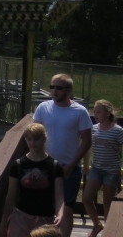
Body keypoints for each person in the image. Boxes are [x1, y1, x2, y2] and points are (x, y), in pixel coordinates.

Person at [33, 73, 93, 237]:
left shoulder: (80, 112)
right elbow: (34, 135)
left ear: (68, 90)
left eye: (59, 88)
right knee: (44, 207)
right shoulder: (43, 108)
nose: (54, 91)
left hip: (69, 167)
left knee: (66, 209)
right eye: (52, 86)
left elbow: (87, 141)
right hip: (45, 165)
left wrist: (73, 164)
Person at [0, 123, 65, 237]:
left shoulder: (54, 166)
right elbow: (10, 196)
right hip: (21, 217)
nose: (32, 143)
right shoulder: (18, 165)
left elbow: (59, 196)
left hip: (45, 220)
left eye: (36, 139)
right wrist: (3, 223)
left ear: (44, 139)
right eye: (29, 139)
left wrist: (60, 214)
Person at [83, 99, 123, 237]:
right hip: (96, 168)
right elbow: (88, 147)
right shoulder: (94, 129)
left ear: (107, 113)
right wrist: (86, 164)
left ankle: (109, 231)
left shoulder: (118, 131)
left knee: (107, 204)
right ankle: (97, 224)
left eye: (99, 111)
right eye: (95, 111)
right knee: (86, 198)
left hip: (111, 171)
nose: (96, 114)